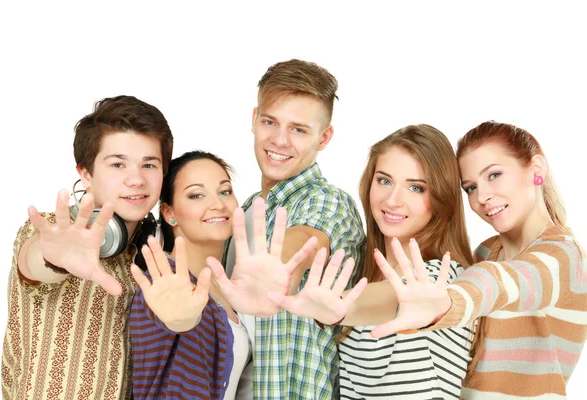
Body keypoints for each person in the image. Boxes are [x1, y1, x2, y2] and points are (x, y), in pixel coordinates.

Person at [373, 121, 587, 399]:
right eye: (470, 188)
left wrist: (447, 302)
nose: (482, 196)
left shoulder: (564, 255)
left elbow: (501, 282)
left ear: (536, 169)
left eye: (494, 175)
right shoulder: (486, 252)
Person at [269, 124, 476, 399]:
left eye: (415, 187)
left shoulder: (444, 276)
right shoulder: (362, 271)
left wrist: (341, 308)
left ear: (441, 198)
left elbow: (393, 298)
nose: (393, 200)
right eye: (384, 181)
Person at [209, 59, 366, 399]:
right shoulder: (245, 209)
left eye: (298, 129)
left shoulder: (328, 202)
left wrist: (278, 269)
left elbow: (306, 240)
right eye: (270, 122)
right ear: (254, 119)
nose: (279, 140)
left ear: (323, 137)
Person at [0, 95, 173, 400]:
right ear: (86, 173)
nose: (136, 179)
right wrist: (54, 258)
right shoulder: (51, 230)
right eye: (117, 164)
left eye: (149, 164)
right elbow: (36, 260)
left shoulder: (149, 257)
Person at [130, 150, 321, 399]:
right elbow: (170, 326)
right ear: (169, 213)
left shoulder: (229, 287)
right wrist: (181, 322)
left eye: (225, 191)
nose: (217, 204)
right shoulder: (164, 284)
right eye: (196, 195)